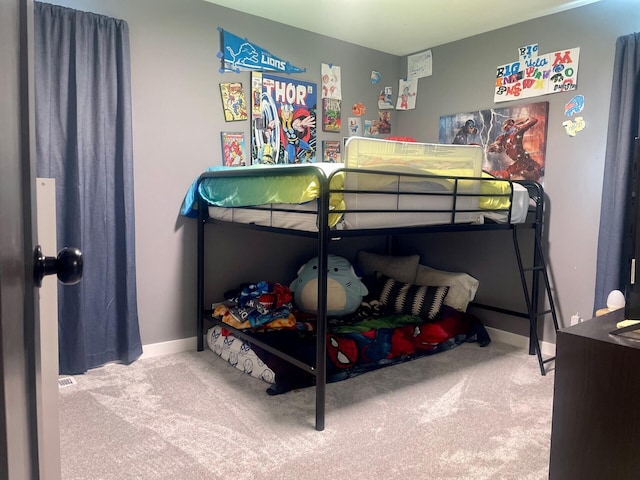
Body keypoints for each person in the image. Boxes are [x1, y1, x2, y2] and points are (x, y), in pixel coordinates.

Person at [487, 117, 543, 181]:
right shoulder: (503, 137)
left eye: (509, 125)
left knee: (536, 169)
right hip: (520, 159)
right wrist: (496, 147)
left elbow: (534, 120)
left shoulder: (517, 129)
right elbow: (498, 144)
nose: (507, 127)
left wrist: (521, 123)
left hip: (523, 158)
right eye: (506, 126)